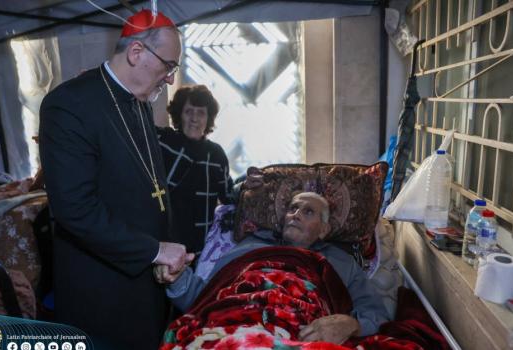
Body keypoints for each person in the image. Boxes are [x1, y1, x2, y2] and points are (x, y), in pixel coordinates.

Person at [39, 9, 194, 350]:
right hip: (102, 293)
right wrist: (154, 250)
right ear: (137, 53)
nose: (170, 78)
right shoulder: (68, 105)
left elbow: (153, 188)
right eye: (168, 65)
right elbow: (74, 210)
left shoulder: (138, 101)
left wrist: (164, 253)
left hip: (147, 278)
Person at [157, 192, 389, 344]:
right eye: (292, 208)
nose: (295, 214)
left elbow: (376, 313)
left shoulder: (342, 262)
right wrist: (178, 279)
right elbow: (205, 298)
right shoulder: (248, 246)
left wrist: (350, 325)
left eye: (307, 212)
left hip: (299, 329)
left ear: (324, 230)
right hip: (228, 322)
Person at [156, 85, 234, 253]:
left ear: (208, 119)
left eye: (201, 113)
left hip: (202, 248)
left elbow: (229, 195)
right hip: (163, 244)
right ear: (179, 115)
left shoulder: (216, 154)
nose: (194, 118)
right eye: (188, 111)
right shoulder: (163, 141)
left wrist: (252, 184)